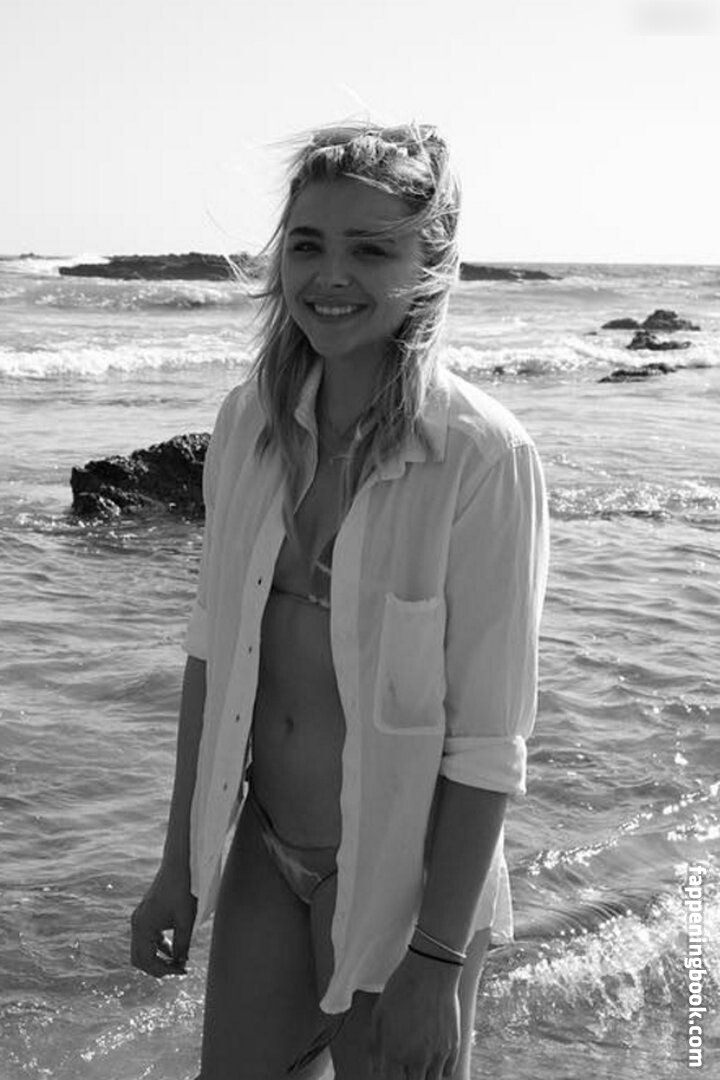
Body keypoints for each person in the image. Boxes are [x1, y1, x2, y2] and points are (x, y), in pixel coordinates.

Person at [130, 121, 549, 1080]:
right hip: (268, 853)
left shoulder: (483, 457)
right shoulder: (249, 425)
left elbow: (489, 742)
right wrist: (177, 869)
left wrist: (438, 959)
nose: (330, 276)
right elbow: (212, 656)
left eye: (371, 250)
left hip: (407, 885)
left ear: (429, 267)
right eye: (308, 244)